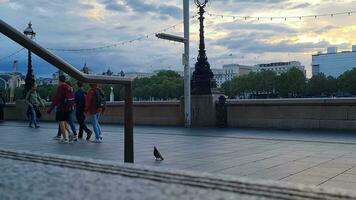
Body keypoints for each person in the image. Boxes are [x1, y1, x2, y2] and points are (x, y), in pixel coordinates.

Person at [47, 75, 74, 144]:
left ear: (59, 80)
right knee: (64, 121)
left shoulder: (61, 87)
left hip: (61, 107)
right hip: (67, 107)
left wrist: (50, 109)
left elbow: (56, 99)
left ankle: (65, 139)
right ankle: (70, 133)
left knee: (61, 122)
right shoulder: (69, 87)